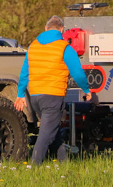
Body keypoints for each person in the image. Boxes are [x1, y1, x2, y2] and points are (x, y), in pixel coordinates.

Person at [14, 15, 92, 165]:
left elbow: (25, 72)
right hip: (53, 96)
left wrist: (20, 94)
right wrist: (86, 90)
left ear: (45, 28)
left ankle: (64, 164)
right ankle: (34, 168)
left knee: (53, 131)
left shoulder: (33, 46)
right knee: (45, 135)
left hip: (35, 96)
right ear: (61, 30)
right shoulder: (64, 47)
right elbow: (77, 73)